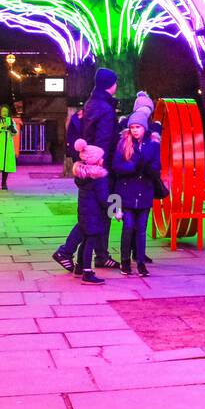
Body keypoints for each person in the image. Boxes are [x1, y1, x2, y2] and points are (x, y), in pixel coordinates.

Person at [52, 68, 122, 272]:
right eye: (115, 82)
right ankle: (67, 251)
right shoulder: (106, 108)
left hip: (87, 164)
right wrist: (102, 162)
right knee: (95, 216)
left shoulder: (91, 104)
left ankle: (88, 260)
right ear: (110, 84)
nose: (116, 86)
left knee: (94, 214)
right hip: (99, 166)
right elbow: (104, 139)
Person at [113, 110, 162, 276]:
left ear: (144, 128)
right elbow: (117, 166)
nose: (134, 130)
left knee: (141, 229)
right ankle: (125, 261)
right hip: (126, 192)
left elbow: (157, 165)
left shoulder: (153, 144)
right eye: (132, 127)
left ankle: (141, 262)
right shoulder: (123, 143)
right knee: (128, 227)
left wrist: (150, 169)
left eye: (138, 127)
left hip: (144, 192)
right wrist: (133, 166)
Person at [71, 140, 111, 284]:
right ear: (95, 161)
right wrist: (114, 209)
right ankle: (87, 273)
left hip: (84, 213)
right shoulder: (98, 178)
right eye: (101, 157)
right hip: (94, 214)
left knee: (86, 240)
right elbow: (103, 199)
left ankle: (79, 267)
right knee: (90, 242)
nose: (103, 159)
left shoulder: (83, 176)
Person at [0, 104, 18, 190]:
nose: (4, 113)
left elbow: (15, 133)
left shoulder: (11, 121)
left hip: (7, 145)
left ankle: (4, 183)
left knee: (6, 166)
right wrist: (2, 127)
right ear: (0, 112)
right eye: (3, 111)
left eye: (6, 111)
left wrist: (10, 128)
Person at [63, 102, 84, 176]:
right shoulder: (75, 119)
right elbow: (70, 133)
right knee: (78, 163)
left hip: (79, 145)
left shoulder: (75, 119)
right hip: (76, 145)